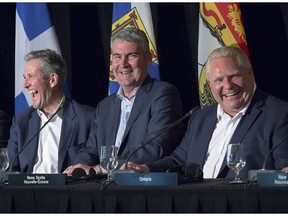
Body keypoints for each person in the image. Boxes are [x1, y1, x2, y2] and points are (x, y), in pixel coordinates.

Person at [124, 46, 288, 179]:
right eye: (218, 80)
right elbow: (178, 160)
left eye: (234, 76)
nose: (228, 86)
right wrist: (146, 168)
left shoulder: (279, 115)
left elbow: (283, 175)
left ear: (250, 73)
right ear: (209, 85)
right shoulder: (200, 118)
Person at [64, 27, 185, 175]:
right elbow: (91, 149)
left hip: (143, 185)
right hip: (104, 188)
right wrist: (79, 167)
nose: (123, 63)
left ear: (148, 58)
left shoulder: (163, 94)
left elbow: (155, 147)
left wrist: (103, 168)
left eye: (131, 55)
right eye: (117, 56)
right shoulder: (105, 105)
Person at [7, 49, 95, 174]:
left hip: (66, 191)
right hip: (26, 191)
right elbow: (11, 170)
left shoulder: (87, 118)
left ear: (52, 80)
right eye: (24, 77)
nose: (25, 85)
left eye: (31, 76)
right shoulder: (21, 121)